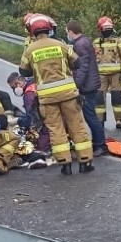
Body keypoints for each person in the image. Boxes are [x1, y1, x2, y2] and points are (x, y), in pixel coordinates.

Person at [19, 14, 94, 175]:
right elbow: (77, 62)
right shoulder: (60, 44)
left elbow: (23, 71)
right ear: (49, 28)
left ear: (32, 32)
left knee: (56, 129)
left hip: (47, 97)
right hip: (68, 93)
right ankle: (85, 162)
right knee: (77, 126)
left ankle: (65, 164)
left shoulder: (30, 49)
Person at [65, 19, 107, 157]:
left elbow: (82, 67)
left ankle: (100, 145)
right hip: (91, 84)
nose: (68, 35)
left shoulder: (80, 45)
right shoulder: (85, 41)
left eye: (67, 32)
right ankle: (98, 143)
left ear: (71, 31)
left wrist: (76, 84)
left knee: (91, 117)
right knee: (91, 116)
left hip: (87, 86)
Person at [94, 16, 121, 129]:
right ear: (100, 29)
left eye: (108, 28)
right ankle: (100, 120)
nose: (107, 31)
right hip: (101, 75)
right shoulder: (95, 42)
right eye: (105, 29)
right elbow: (91, 58)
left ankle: (119, 120)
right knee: (99, 98)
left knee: (117, 97)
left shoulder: (118, 41)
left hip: (116, 74)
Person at [7, 72, 51, 154]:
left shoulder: (29, 94)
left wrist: (18, 121)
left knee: (40, 149)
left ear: (19, 83)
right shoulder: (36, 82)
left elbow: (32, 120)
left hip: (48, 122)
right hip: (58, 114)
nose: (14, 91)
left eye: (13, 87)